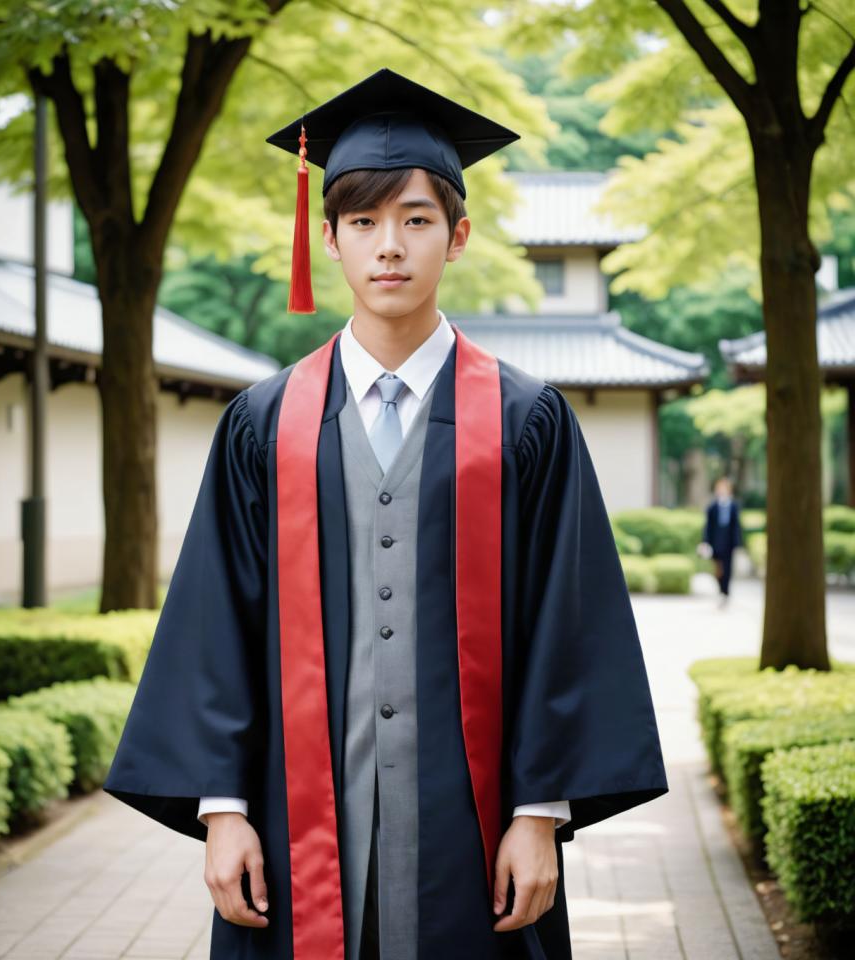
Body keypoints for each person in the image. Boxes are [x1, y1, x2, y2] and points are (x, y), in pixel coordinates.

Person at [102, 68, 668, 960]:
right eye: (363, 222)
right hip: (298, 831)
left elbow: (570, 623)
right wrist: (222, 813)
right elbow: (217, 622)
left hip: (476, 829)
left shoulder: (527, 423)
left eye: (415, 220)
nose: (390, 247)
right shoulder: (266, 425)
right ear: (328, 238)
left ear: (459, 235)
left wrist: (539, 814)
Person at [698, 475, 744, 608]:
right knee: (718, 569)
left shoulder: (734, 506)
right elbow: (708, 526)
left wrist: (738, 543)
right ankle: (721, 590)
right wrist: (705, 542)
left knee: (728, 569)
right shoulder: (712, 507)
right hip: (715, 543)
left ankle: (726, 592)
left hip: (728, 543)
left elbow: (736, 526)